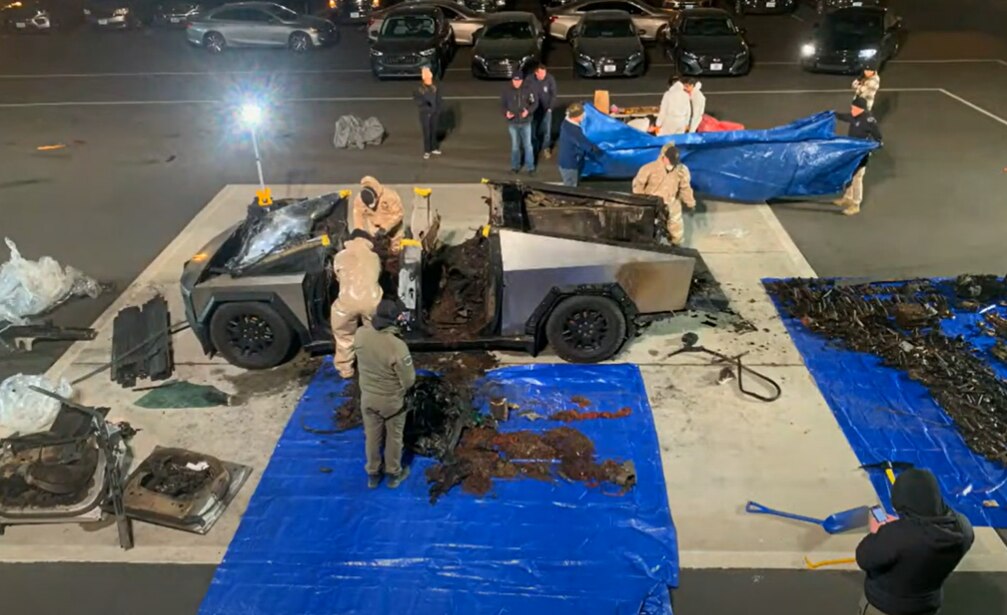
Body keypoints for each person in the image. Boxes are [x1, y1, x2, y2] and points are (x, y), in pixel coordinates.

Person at [856, 468, 974, 615]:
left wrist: (879, 532)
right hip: (927, 605)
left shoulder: (896, 535)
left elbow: (864, 558)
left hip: (886, 605)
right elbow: (923, 535)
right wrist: (905, 525)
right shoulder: (964, 528)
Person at [354, 299, 416, 489]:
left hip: (368, 399)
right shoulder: (397, 346)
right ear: (395, 319)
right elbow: (409, 380)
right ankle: (394, 474)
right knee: (394, 437)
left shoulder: (361, 334)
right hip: (391, 402)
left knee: (372, 437)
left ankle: (373, 474)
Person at [330, 230, 383, 379]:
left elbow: (338, 278)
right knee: (374, 335)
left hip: (347, 302)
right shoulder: (374, 257)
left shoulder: (340, 256)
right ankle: (375, 367)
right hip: (372, 302)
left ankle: (345, 369)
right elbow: (377, 275)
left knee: (344, 336)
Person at [632, 143, 696, 246]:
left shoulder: (681, 170)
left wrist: (690, 202)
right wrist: (641, 201)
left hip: (671, 203)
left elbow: (685, 188)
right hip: (652, 204)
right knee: (648, 230)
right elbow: (638, 185)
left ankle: (676, 247)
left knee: (676, 233)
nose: (672, 164)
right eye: (670, 160)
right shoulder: (649, 168)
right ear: (664, 157)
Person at [835, 97, 883, 216]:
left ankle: (856, 204)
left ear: (860, 109)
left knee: (857, 177)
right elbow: (845, 117)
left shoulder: (869, 120)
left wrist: (871, 146)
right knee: (850, 174)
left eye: (853, 108)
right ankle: (848, 197)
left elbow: (878, 137)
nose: (852, 109)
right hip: (852, 151)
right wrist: (834, 114)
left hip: (861, 154)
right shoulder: (854, 116)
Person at [353, 176, 404, 250]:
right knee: (376, 250)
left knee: (395, 252)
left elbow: (398, 214)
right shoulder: (359, 200)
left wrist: (385, 228)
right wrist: (359, 234)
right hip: (375, 229)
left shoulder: (390, 196)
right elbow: (358, 218)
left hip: (393, 230)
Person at [501, 72, 538, 174]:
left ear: (522, 80)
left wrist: (528, 111)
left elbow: (535, 103)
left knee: (528, 145)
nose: (516, 83)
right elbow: (503, 105)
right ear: (512, 80)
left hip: (526, 122)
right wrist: (506, 113)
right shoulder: (506, 91)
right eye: (515, 80)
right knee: (515, 146)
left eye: (518, 80)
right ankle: (515, 166)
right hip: (513, 123)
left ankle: (530, 167)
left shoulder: (528, 89)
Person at [556, 103, 598, 187]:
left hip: (566, 162)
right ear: (576, 116)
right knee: (571, 188)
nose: (583, 116)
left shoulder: (566, 122)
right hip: (570, 165)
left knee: (573, 184)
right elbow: (584, 144)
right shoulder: (573, 130)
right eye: (582, 115)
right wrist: (595, 149)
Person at [528, 63, 558, 159]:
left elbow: (553, 94)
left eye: (544, 73)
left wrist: (550, 108)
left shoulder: (550, 79)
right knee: (533, 130)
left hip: (546, 109)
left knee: (547, 130)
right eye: (541, 74)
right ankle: (535, 147)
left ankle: (546, 148)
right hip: (534, 110)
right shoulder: (529, 80)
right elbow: (525, 93)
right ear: (536, 73)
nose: (543, 76)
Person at [413, 66, 443, 160]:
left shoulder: (435, 87)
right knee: (427, 132)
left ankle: (434, 148)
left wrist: (438, 110)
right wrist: (426, 106)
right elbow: (418, 101)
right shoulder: (419, 89)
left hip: (434, 113)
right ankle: (427, 151)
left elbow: (438, 100)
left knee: (434, 131)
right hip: (425, 114)